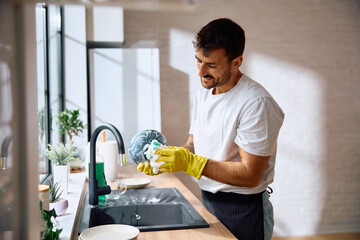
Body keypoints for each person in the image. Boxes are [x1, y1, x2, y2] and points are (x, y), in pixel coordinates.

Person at [137, 18, 284, 240]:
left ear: (236, 62)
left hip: (244, 210)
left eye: (211, 65)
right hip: (208, 200)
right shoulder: (204, 93)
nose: (200, 72)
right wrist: (167, 158)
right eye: (198, 61)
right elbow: (194, 144)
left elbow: (251, 175)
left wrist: (189, 163)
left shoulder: (256, 103)